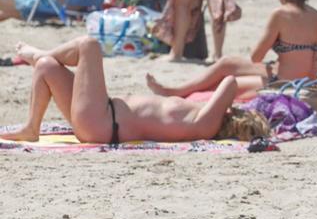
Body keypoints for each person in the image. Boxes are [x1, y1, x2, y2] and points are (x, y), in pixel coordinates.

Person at [0, 37, 269, 144]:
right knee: (47, 68)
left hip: (103, 122)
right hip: (100, 117)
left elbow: (230, 82)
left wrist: (228, 104)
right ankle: (31, 128)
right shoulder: (202, 123)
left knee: (89, 46)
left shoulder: (206, 124)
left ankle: (35, 53)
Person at [147, 0, 317, 99]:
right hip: (304, 81)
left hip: (282, 83)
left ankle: (176, 92)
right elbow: (315, 63)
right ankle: (177, 91)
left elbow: (256, 57)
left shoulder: (281, 14)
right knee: (227, 63)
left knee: (227, 82)